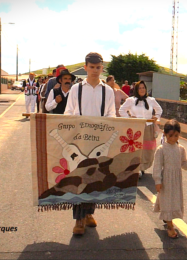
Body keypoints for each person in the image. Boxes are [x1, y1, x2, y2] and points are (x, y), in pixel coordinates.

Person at [64, 52, 116, 236]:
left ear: (102, 68)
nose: (95, 70)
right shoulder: (76, 89)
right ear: (85, 67)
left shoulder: (108, 91)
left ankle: (88, 214)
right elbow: (68, 112)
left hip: (99, 141)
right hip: (79, 140)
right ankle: (79, 219)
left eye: (98, 67)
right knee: (79, 178)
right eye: (91, 67)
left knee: (94, 178)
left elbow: (111, 115)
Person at [152, 119, 187, 238]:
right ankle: (170, 225)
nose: (173, 138)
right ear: (165, 134)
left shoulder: (181, 149)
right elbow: (157, 167)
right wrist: (158, 181)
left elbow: (184, 163)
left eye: (176, 135)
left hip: (176, 180)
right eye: (170, 135)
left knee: (173, 200)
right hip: (166, 180)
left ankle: (168, 218)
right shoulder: (161, 150)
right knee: (166, 200)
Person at [119, 80, 163, 178]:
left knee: (147, 149)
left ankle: (143, 166)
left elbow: (159, 110)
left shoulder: (151, 100)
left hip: (148, 126)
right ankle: (136, 168)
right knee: (135, 148)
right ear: (136, 89)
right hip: (135, 127)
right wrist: (130, 118)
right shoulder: (131, 100)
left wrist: (156, 117)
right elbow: (121, 110)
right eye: (140, 88)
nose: (142, 90)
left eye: (143, 88)